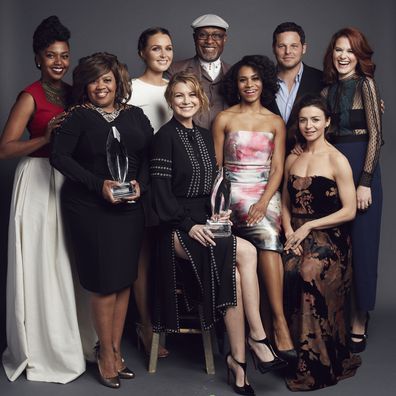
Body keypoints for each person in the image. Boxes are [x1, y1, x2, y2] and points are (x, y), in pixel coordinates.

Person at [151, 71, 285, 395]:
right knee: (249, 252)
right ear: (171, 100)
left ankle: (237, 363)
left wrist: (218, 212)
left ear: (201, 100)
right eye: (179, 96)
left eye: (192, 96)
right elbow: (160, 194)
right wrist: (189, 225)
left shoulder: (200, 134)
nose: (186, 101)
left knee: (237, 277)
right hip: (175, 231)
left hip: (206, 225)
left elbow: (213, 185)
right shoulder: (164, 136)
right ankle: (257, 336)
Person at [51, 52, 152, 388]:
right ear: (85, 85)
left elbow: (149, 156)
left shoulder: (135, 116)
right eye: (93, 80)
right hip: (89, 208)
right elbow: (59, 157)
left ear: (117, 81)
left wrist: (140, 183)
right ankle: (105, 355)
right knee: (104, 284)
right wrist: (99, 186)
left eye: (106, 79)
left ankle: (114, 347)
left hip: (129, 209)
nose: (100, 86)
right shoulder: (78, 117)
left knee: (123, 281)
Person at [0, 15, 88, 384]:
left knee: (69, 259)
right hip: (37, 182)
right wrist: (45, 139)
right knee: (42, 263)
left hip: (72, 181)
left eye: (64, 55)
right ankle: (41, 346)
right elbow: (5, 149)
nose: (58, 62)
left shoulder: (74, 92)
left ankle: (76, 340)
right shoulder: (29, 96)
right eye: (51, 55)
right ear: (38, 58)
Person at [213, 55, 296, 363]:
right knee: (236, 250)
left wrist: (263, 202)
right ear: (236, 85)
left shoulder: (275, 122)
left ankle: (278, 321)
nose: (249, 85)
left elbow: (277, 170)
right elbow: (217, 168)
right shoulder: (224, 118)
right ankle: (246, 332)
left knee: (269, 239)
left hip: (264, 192)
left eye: (255, 79)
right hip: (231, 194)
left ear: (265, 83)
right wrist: (220, 206)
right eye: (243, 79)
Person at [281, 94, 361, 391]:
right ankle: (289, 352)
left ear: (327, 122)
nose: (308, 125)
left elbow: (349, 209)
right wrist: (290, 230)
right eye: (303, 120)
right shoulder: (293, 156)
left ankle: (316, 366)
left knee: (308, 271)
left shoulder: (337, 160)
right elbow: (285, 202)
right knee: (284, 267)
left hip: (329, 236)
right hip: (295, 233)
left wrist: (310, 226)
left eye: (315, 119)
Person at [322, 27, 383, 353]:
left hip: (362, 170)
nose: (343, 56)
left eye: (350, 51)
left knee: (362, 247)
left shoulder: (366, 86)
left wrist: (365, 181)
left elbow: (376, 136)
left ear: (360, 56)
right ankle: (337, 318)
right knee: (338, 246)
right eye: (338, 50)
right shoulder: (328, 89)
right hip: (333, 170)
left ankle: (360, 320)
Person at [128, 26, 173, 358]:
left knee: (165, 254)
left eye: (168, 48)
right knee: (141, 256)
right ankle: (144, 324)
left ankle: (164, 323)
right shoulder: (129, 89)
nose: (163, 54)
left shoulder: (178, 90)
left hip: (171, 180)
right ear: (142, 52)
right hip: (139, 179)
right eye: (156, 49)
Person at [167, 14, 230, 129]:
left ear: (224, 39)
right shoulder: (174, 70)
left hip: (224, 144)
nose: (209, 41)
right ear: (194, 38)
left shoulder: (235, 73)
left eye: (216, 36)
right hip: (188, 143)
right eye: (202, 35)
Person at [269, 22, 324, 152]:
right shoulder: (261, 82)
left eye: (294, 46)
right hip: (268, 161)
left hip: (306, 160)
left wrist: (366, 99)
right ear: (274, 48)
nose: (288, 52)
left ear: (303, 48)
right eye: (282, 46)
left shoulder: (322, 80)